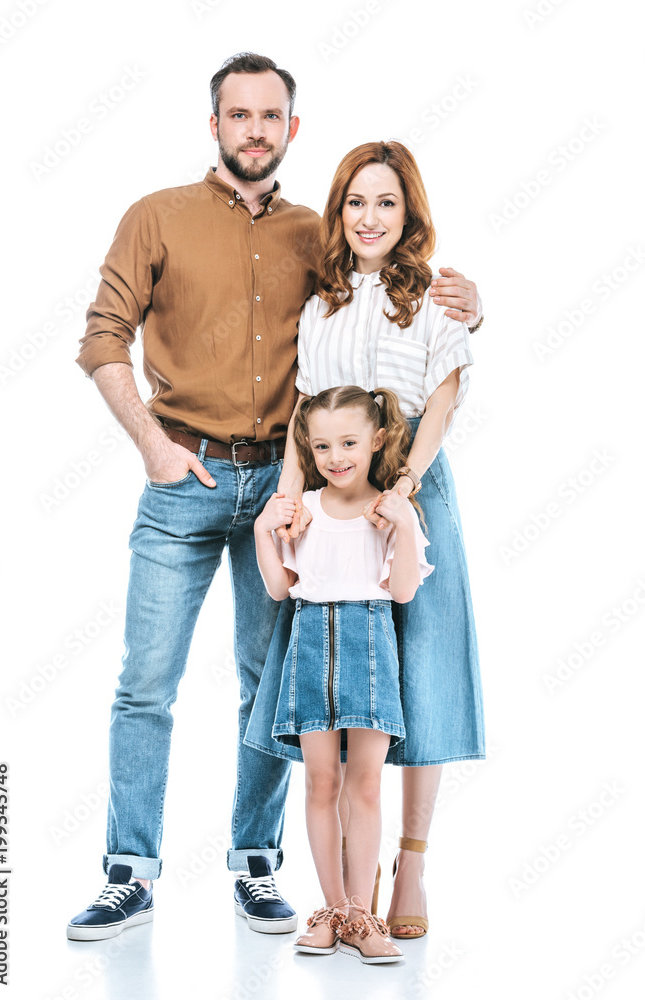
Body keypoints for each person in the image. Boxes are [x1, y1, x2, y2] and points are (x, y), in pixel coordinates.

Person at [66, 50, 483, 941]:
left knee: (272, 688)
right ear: (213, 124)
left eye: (270, 116)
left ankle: (258, 865)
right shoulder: (156, 217)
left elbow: (392, 317)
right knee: (146, 682)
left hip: (294, 484)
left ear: (290, 129)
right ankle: (128, 871)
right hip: (186, 477)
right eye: (237, 114)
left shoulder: (313, 239)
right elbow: (100, 337)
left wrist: (468, 306)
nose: (253, 129)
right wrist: (151, 444)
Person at [245, 140, 485, 941]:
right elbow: (301, 416)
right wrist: (288, 499)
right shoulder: (321, 305)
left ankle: (409, 860)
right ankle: (346, 879)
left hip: (410, 483)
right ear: (337, 212)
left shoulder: (436, 297)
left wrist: (403, 489)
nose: (369, 217)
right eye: (355, 202)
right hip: (328, 488)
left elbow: (442, 405)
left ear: (408, 213)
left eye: (385, 202)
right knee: (331, 665)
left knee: (423, 667)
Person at [254, 385, 433, 964]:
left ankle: (363, 914)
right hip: (310, 652)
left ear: (376, 440)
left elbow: (402, 590)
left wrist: (405, 525)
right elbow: (280, 588)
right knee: (321, 784)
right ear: (308, 447)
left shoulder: (388, 512)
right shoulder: (301, 510)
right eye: (323, 445)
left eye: (350, 442)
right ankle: (331, 910)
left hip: (371, 653)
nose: (336, 457)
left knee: (366, 785)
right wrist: (263, 530)